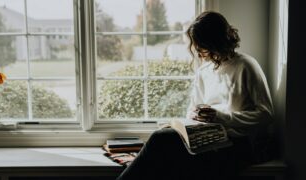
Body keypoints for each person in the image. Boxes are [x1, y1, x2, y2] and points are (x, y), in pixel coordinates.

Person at [116, 11, 274, 180]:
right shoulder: (204, 71)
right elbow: (192, 109)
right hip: (208, 139)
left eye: (202, 47)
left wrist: (220, 117)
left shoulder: (246, 65)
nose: (199, 53)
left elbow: (266, 115)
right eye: (196, 47)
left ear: (217, 42)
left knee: (160, 144)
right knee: (163, 143)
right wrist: (193, 116)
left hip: (240, 144)